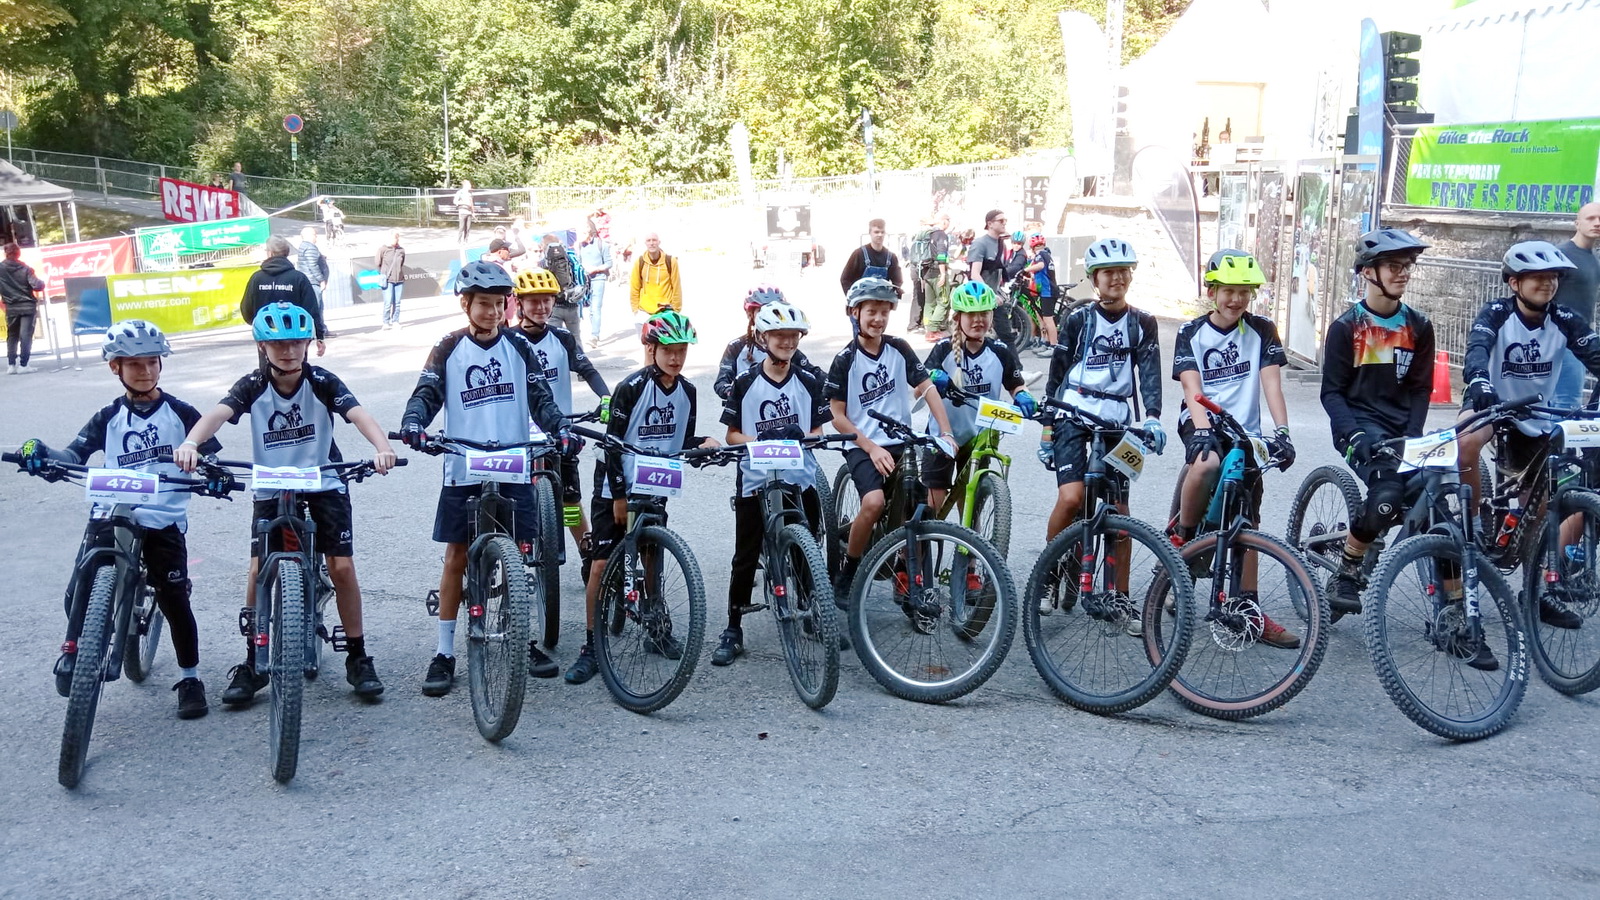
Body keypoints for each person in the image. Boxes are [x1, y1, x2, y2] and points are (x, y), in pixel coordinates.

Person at [175, 302, 399, 703]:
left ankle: (357, 655)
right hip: (272, 487)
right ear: (262, 346)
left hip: (323, 480)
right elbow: (218, 414)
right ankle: (253, 658)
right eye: (278, 344)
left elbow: (358, 414)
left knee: (342, 567)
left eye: (297, 342)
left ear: (308, 344)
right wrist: (191, 442)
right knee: (258, 570)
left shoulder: (322, 380)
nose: (289, 351)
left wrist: (382, 448)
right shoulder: (252, 384)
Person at [18, 321, 220, 718]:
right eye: (134, 364)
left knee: (174, 597)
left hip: (162, 515)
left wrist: (212, 469)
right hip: (112, 508)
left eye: (152, 362)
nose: (145, 371)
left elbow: (208, 453)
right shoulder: (108, 416)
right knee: (82, 582)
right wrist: (40, 453)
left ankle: (190, 677)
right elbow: (73, 455)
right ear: (115, 368)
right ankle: (75, 647)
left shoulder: (182, 413)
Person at [397, 262, 567, 695]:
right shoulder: (448, 346)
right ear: (465, 304)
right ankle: (444, 652)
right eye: (484, 304)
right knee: (456, 555)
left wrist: (560, 427)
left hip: (512, 461)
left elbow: (540, 398)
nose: (492, 312)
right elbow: (426, 393)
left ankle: (520, 636)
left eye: (498, 304)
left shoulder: (518, 346)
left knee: (520, 554)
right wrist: (414, 422)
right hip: (464, 465)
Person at [564, 310, 719, 684]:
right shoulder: (631, 387)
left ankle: (655, 625)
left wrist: (703, 444)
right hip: (615, 484)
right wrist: (618, 497)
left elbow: (682, 438)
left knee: (652, 555)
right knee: (601, 564)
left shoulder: (688, 391)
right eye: (668, 350)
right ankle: (591, 646)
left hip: (655, 483)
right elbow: (613, 444)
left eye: (682, 350)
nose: (676, 358)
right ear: (652, 349)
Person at [1456, 240, 1600, 632]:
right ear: (1514, 283)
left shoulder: (1565, 319)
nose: (1547, 284)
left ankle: (1535, 593)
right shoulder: (1497, 314)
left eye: (1553, 277)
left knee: (1538, 508)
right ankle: (1472, 523)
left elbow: (1594, 352)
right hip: (1491, 402)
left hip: (1536, 414)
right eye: (1537, 277)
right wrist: (1479, 380)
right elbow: (1478, 349)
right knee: (1467, 442)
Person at [1169, 250, 1299, 649]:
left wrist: (1283, 433)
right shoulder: (1191, 332)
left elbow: (1272, 384)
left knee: (1248, 515)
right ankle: (1183, 540)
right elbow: (1191, 387)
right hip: (1202, 420)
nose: (1236, 299)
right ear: (1212, 291)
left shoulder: (1262, 330)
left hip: (1246, 431)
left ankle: (1248, 608)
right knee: (1206, 464)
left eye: (1244, 291)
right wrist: (1203, 430)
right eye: (1228, 291)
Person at [1039, 238, 1165, 633]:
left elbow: (1149, 373)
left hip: (1117, 419)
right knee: (1071, 497)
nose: (1117, 278)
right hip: (1074, 412)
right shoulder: (1078, 319)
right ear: (1094, 279)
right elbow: (1058, 371)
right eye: (1109, 272)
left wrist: (1153, 419)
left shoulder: (1142, 322)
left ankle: (1121, 597)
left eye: (1123, 271)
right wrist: (1047, 428)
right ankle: (1047, 575)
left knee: (1120, 514)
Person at [1320, 228, 1436, 618]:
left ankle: (1454, 610)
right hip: (1358, 426)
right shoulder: (1346, 327)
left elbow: (1421, 389)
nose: (1403, 273)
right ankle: (1348, 570)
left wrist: (1414, 436)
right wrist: (1354, 433)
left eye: (1407, 266)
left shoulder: (1419, 326)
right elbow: (1331, 393)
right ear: (1368, 272)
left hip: (1401, 430)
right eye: (1394, 266)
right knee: (1386, 495)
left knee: (1439, 501)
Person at [714, 302, 829, 666]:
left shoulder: (808, 381)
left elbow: (817, 431)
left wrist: (803, 437)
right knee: (745, 554)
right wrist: (761, 441)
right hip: (756, 475)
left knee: (807, 543)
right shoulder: (745, 382)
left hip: (798, 474)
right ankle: (733, 627)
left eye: (794, 336)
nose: (788, 342)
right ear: (763, 338)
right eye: (780, 336)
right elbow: (731, 435)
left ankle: (812, 609)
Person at [826, 277, 957, 597]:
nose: (878, 319)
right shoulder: (845, 359)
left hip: (902, 441)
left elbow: (927, 388)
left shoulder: (899, 347)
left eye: (884, 312)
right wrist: (871, 448)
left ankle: (906, 572)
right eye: (871, 311)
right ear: (855, 312)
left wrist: (946, 432)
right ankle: (850, 569)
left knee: (920, 508)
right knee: (873, 503)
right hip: (863, 445)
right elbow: (837, 416)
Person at [513, 266, 611, 622]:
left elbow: (588, 370)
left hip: (560, 431)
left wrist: (606, 398)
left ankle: (586, 552)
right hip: (520, 434)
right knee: (515, 501)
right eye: (533, 301)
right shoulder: (509, 340)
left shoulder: (562, 338)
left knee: (570, 500)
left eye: (547, 301)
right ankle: (512, 561)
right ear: (519, 304)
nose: (541, 307)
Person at [922, 281, 1035, 514]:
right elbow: (918, 389)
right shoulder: (943, 349)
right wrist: (933, 377)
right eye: (971, 314)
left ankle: (970, 539)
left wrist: (1023, 396)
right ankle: (921, 538)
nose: (978, 320)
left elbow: (1016, 385)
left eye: (984, 313)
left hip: (979, 438)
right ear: (958, 318)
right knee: (934, 506)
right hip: (943, 435)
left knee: (970, 506)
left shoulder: (1000, 351)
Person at [714, 285, 821, 400]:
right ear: (750, 314)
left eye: (774, 311)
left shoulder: (784, 348)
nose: (768, 314)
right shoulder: (736, 346)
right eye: (761, 310)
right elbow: (721, 381)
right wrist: (733, 392)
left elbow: (814, 373)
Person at [240, 235, 326, 358]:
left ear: (270, 253)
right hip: (296, 340)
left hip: (267, 338)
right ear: (287, 252)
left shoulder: (257, 279)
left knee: (269, 368)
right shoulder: (299, 278)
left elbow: (246, 310)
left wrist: (261, 325)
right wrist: (319, 336)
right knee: (297, 368)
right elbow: (312, 310)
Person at [1550, 202, 1600, 408]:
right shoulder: (1560, 254)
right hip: (1561, 338)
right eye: (1590, 218)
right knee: (1567, 400)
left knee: (1563, 399)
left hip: (1582, 338)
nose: (1597, 223)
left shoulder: (1594, 258)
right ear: (1577, 223)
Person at [968, 210, 1018, 347]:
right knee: (975, 338)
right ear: (990, 224)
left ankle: (1013, 362)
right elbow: (974, 274)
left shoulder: (1001, 244)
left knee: (1006, 336)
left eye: (1005, 220)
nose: (1004, 223)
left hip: (994, 297)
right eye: (1001, 221)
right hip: (978, 297)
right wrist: (990, 294)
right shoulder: (980, 244)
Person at [2, 241, 45, 374]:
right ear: (18, 254)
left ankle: (11, 365)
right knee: (25, 335)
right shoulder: (26, 269)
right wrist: (42, 282)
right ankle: (24, 365)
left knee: (12, 335)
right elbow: (37, 285)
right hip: (27, 306)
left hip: (11, 307)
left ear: (6, 253)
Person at [838, 218, 904, 302]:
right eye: (876, 232)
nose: (880, 235)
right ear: (870, 233)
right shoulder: (858, 254)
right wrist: (852, 299)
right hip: (861, 302)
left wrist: (893, 294)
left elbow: (898, 281)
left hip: (881, 302)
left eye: (882, 232)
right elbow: (845, 279)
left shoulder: (891, 257)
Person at [1015, 234, 1060, 356]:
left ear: (1032, 247)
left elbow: (1040, 266)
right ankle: (1046, 343)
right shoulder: (1046, 254)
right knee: (1044, 318)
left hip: (1048, 291)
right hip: (1046, 290)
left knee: (1048, 319)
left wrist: (1025, 270)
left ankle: (1054, 346)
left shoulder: (1041, 255)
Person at [629, 233, 682, 324]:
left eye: (654, 240)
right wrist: (635, 309)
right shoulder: (640, 262)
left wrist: (676, 310)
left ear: (659, 242)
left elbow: (676, 287)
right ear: (645, 243)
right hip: (644, 311)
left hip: (665, 310)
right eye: (648, 241)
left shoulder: (670, 261)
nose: (651, 243)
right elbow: (634, 287)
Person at [916, 214, 953, 339]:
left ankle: (928, 327)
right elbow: (941, 255)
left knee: (929, 303)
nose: (949, 224)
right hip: (937, 272)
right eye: (948, 221)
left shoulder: (928, 235)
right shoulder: (941, 235)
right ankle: (933, 329)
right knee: (943, 302)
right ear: (944, 221)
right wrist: (943, 274)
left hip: (926, 273)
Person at [578, 223, 613, 349]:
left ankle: (594, 336)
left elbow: (609, 263)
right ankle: (591, 333)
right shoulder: (579, 246)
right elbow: (578, 262)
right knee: (587, 308)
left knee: (595, 308)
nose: (579, 236)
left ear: (588, 233)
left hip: (598, 279)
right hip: (585, 280)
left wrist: (596, 269)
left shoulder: (601, 244)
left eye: (581, 233)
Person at [375, 230, 406, 329]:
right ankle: (386, 322)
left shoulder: (401, 250)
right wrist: (384, 272)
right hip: (388, 280)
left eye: (397, 237)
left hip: (399, 280)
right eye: (394, 237)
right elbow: (377, 263)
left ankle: (395, 321)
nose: (396, 239)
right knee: (388, 302)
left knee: (397, 303)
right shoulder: (383, 249)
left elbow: (402, 263)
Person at [295, 226, 330, 310]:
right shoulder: (310, 247)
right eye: (315, 234)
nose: (316, 237)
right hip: (313, 282)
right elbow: (312, 265)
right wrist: (321, 280)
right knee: (316, 309)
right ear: (310, 235)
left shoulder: (303, 246)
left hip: (308, 281)